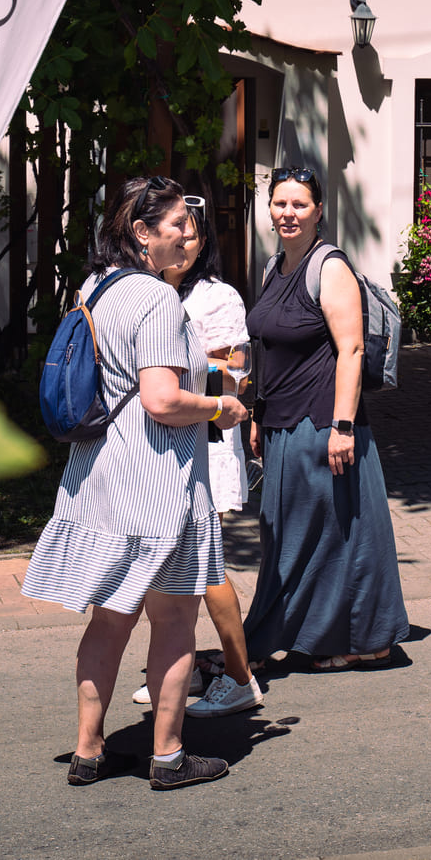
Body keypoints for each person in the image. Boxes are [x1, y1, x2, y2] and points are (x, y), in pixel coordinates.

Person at [21, 176, 248, 790]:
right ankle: (168, 756)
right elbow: (162, 399)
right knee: (173, 620)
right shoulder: (157, 298)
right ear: (142, 233)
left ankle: (88, 751)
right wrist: (220, 407)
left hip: (102, 473)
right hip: (158, 482)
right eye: (176, 224)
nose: (188, 235)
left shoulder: (96, 286)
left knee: (109, 619)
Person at [241, 166, 409, 671]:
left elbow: (351, 350)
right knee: (292, 536)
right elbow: (268, 349)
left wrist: (343, 426)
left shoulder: (329, 267)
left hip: (320, 423)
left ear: (318, 212)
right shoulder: (274, 267)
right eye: (280, 203)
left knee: (330, 537)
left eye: (299, 205)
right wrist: (258, 414)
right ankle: (319, 635)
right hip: (281, 423)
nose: (288, 213)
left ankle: (358, 639)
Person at [130, 198, 264, 718]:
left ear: (203, 241)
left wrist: (167, 366)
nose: (183, 242)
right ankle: (173, 670)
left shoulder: (218, 296)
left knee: (206, 567)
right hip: (159, 445)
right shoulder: (145, 289)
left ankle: (240, 675)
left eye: (192, 234)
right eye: (176, 232)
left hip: (206, 439)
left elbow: (237, 374)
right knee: (163, 565)